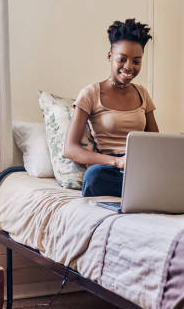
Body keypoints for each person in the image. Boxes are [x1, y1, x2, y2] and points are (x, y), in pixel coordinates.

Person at [64, 18, 158, 197]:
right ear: (109, 57)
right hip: (110, 170)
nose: (129, 67)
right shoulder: (90, 93)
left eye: (136, 61)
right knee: (94, 176)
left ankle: (146, 192)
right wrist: (116, 162)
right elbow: (70, 149)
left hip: (140, 169)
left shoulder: (142, 93)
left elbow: (156, 143)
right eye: (122, 59)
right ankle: (146, 194)